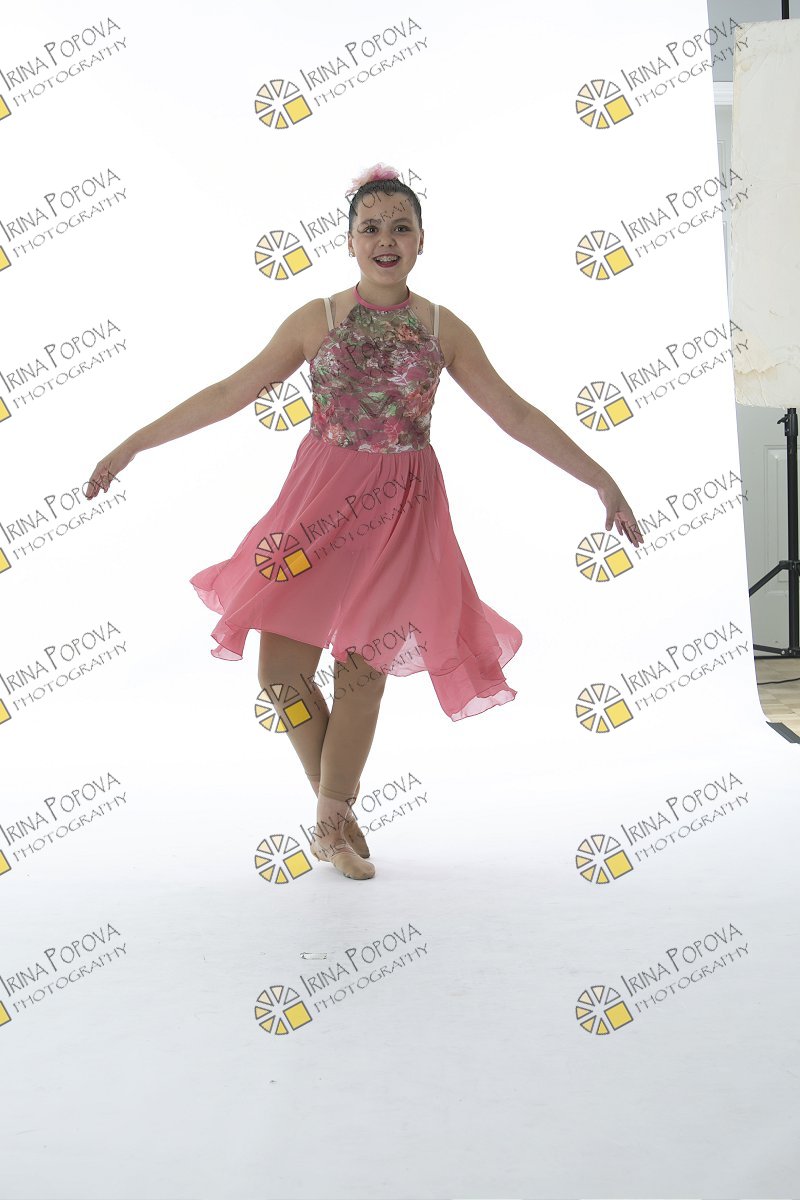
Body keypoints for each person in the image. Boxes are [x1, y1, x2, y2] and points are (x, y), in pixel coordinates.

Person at [86, 162, 643, 883]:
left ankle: (329, 824)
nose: (386, 240)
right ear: (349, 241)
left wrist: (601, 479)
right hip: (317, 508)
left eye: (401, 228)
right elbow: (229, 391)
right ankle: (339, 813)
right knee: (280, 675)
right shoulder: (315, 320)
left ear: (422, 241)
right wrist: (132, 444)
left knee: (361, 672)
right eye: (371, 227)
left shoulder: (442, 328)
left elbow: (515, 413)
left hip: (401, 512)